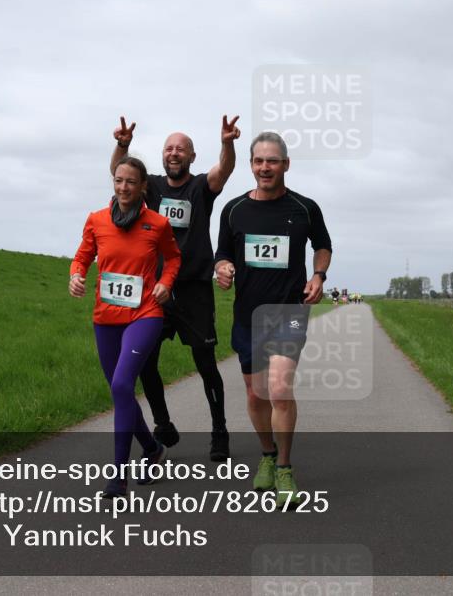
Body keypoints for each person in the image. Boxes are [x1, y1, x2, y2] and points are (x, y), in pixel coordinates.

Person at [111, 115, 239, 461]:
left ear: (192, 157)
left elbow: (223, 172)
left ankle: (219, 430)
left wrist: (227, 143)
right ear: (162, 155)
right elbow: (119, 174)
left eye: (181, 149)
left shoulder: (200, 187)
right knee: (145, 361)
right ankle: (163, 423)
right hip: (156, 290)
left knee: (206, 363)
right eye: (169, 148)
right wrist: (122, 145)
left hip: (194, 288)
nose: (174, 152)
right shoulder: (150, 187)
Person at [214, 131, 332, 506]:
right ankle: (266, 455)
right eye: (259, 161)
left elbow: (323, 245)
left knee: (279, 390)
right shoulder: (233, 209)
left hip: (289, 312)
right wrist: (223, 268)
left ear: (286, 164)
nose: (265, 168)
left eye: (273, 161)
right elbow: (220, 254)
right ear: (251, 165)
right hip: (248, 315)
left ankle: (284, 467)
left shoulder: (305, 208)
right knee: (255, 393)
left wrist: (318, 276)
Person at [69, 156, 181, 498]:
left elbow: (174, 258)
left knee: (121, 384)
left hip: (145, 313)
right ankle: (151, 448)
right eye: (119, 180)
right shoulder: (96, 220)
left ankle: (118, 477)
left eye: (131, 182)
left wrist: (165, 281)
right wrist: (76, 275)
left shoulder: (157, 224)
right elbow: (82, 256)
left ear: (143, 186)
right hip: (106, 318)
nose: (123, 187)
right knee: (120, 392)